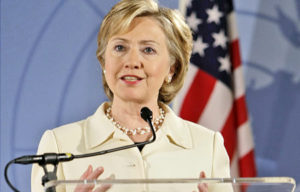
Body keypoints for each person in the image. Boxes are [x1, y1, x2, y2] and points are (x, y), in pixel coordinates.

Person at [31, 0, 231, 191]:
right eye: (120, 47)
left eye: (148, 49)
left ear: (172, 68)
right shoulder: (59, 144)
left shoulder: (208, 146)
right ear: (103, 62)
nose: (132, 61)